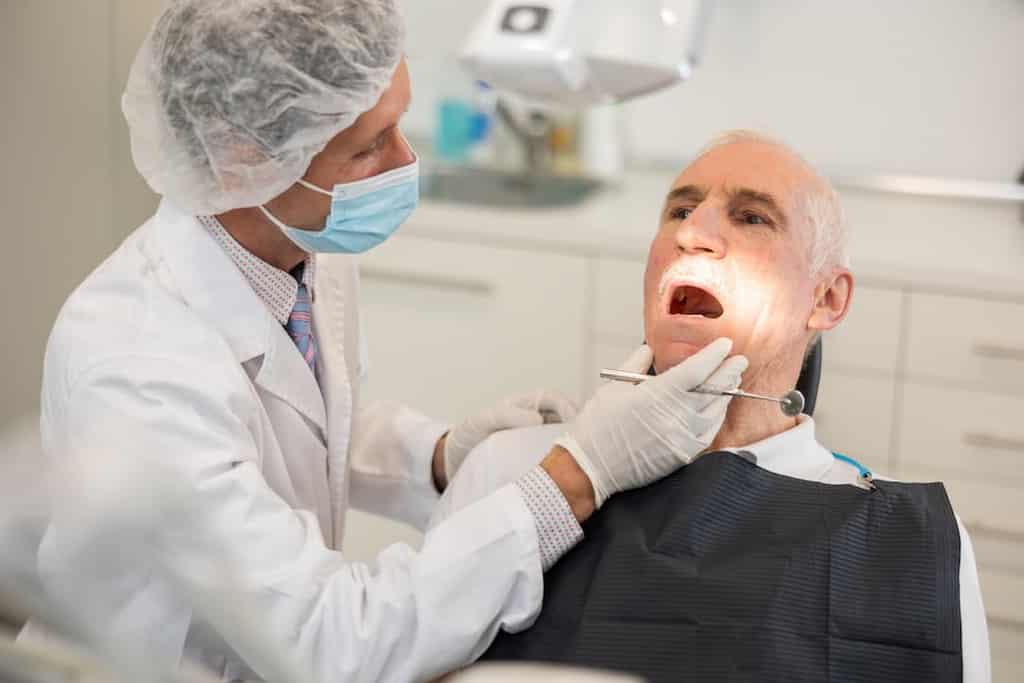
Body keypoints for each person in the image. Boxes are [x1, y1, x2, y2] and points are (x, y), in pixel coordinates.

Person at [25, 2, 749, 681]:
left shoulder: (303, 241)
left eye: (397, 126)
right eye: (370, 145)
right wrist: (580, 472)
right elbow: (330, 642)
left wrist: (438, 455)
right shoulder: (136, 361)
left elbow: (301, 414)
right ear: (244, 156)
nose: (406, 163)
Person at [432, 131, 991, 683]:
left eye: (752, 217)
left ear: (826, 299)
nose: (692, 234)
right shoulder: (515, 472)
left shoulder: (910, 543)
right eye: (679, 210)